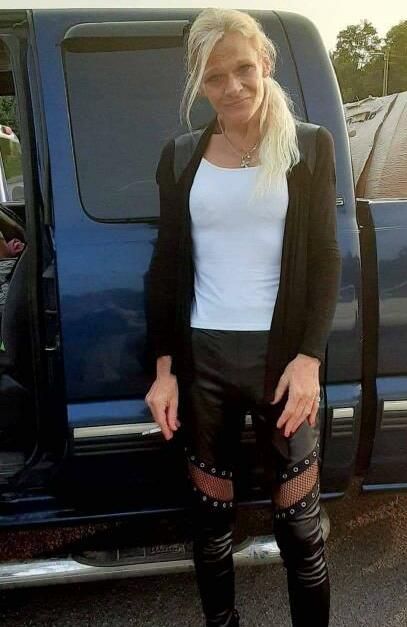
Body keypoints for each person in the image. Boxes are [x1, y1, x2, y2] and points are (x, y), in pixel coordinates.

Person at [145, 8, 341, 626]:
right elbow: (166, 267)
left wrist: (309, 360)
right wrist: (164, 370)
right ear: (198, 83)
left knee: (300, 530)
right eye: (214, 77)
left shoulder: (308, 147)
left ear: (265, 64)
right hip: (203, 365)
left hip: (282, 365)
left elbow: (325, 257)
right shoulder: (182, 157)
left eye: (242, 69)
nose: (231, 87)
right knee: (210, 528)